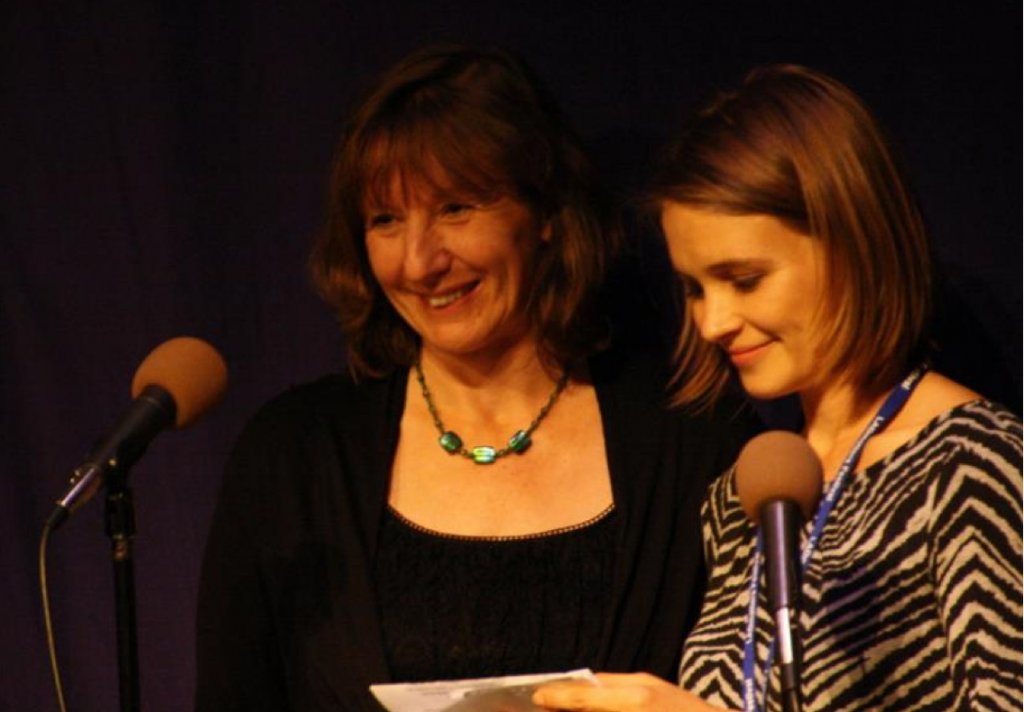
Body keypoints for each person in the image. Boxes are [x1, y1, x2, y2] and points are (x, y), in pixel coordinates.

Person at [195, 45, 752, 711]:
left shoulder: (690, 439)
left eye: (456, 208)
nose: (420, 261)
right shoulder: (293, 459)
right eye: (385, 220)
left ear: (544, 213)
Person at [535, 65, 1022, 712]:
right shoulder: (744, 498)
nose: (712, 323)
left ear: (852, 242)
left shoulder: (972, 464)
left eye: (744, 278)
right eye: (695, 289)